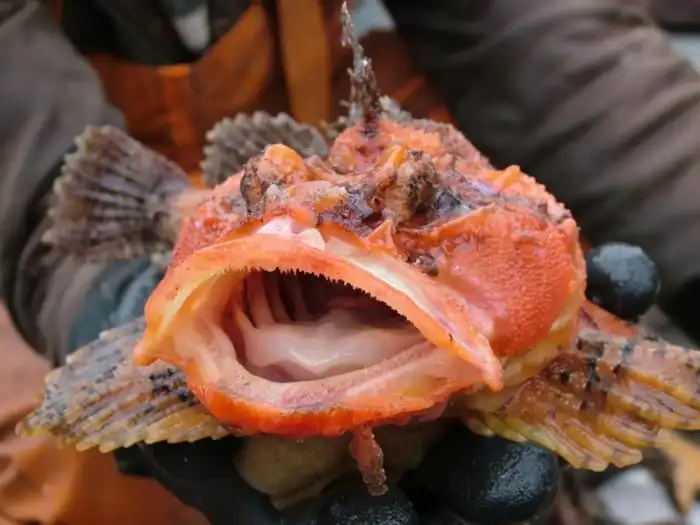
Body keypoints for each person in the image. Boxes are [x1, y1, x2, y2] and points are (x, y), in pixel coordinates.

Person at [1, 0, 700, 523]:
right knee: (60, 467)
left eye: (418, 196)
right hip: (54, 173)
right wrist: (101, 294)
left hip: (344, 117)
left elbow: (532, 29)